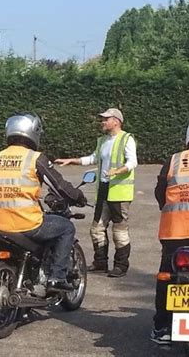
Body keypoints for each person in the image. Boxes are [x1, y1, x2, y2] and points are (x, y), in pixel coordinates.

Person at [0, 112, 87, 292]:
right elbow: (60, 186)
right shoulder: (35, 158)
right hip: (28, 224)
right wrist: (78, 196)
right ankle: (56, 277)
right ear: (32, 133)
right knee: (66, 228)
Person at [55, 108, 137, 278]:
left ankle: (121, 265)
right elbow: (93, 158)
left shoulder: (126, 139)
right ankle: (100, 262)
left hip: (119, 193)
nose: (103, 122)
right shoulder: (102, 141)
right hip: (103, 190)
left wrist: (117, 171)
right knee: (96, 229)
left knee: (119, 231)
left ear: (116, 121)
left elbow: (132, 162)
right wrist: (72, 160)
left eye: (106, 119)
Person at [150, 113, 189, 345]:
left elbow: (160, 192)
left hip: (175, 234)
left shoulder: (174, 160)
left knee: (167, 278)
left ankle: (162, 328)